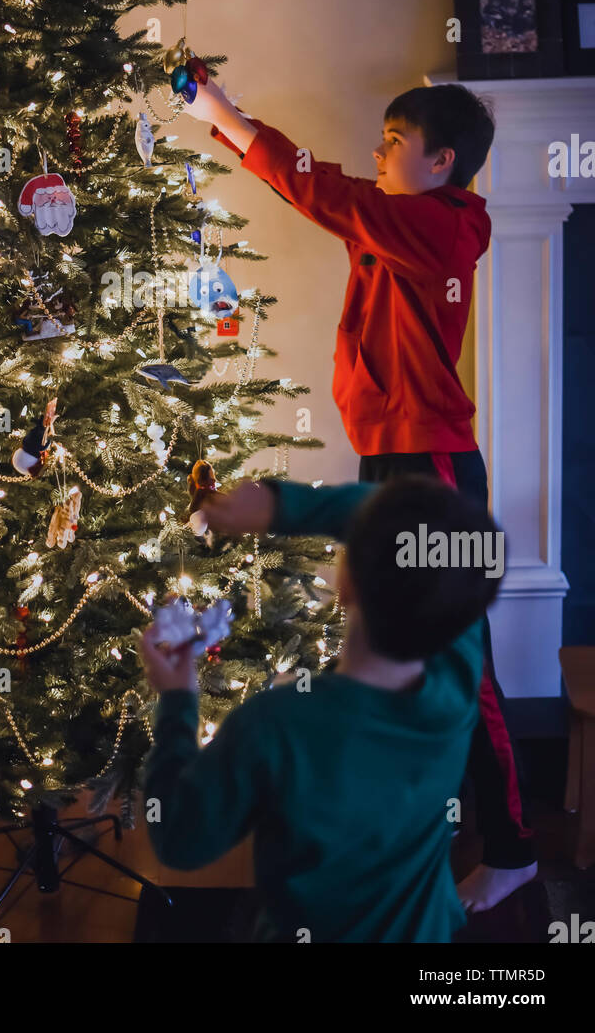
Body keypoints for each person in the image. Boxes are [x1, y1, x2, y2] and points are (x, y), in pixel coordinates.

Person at [180, 76, 536, 911]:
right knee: (390, 647)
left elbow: (323, 190)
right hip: (393, 454)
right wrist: (231, 123)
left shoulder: (443, 226)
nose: (377, 151)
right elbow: (329, 189)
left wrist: (227, 117)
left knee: (461, 658)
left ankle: (517, 846)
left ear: (442, 162)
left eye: (393, 140)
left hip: (433, 463)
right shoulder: (400, 222)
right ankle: (419, 827)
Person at [141, 475, 502, 942]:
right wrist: (280, 507)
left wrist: (175, 702)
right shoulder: (458, 674)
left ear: (346, 585)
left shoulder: (276, 726)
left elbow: (179, 838)